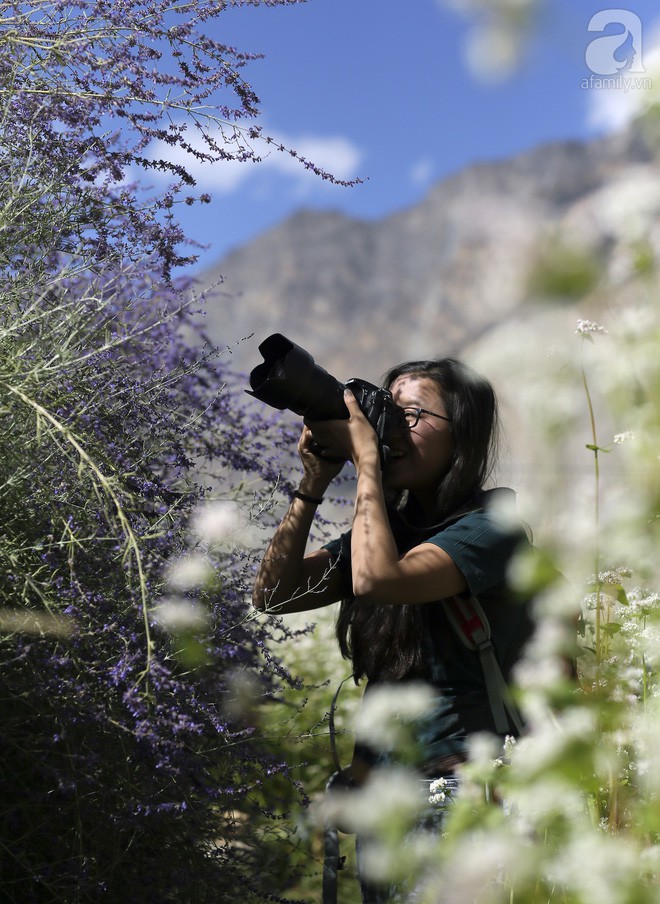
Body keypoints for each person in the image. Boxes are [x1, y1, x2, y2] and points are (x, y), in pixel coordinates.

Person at [252, 355, 536, 902]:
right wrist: (314, 482)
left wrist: (365, 463)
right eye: (387, 414)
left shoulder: (490, 531)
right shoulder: (392, 531)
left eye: (412, 415)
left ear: (464, 436)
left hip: (459, 793)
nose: (391, 432)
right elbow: (275, 594)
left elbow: (379, 580)